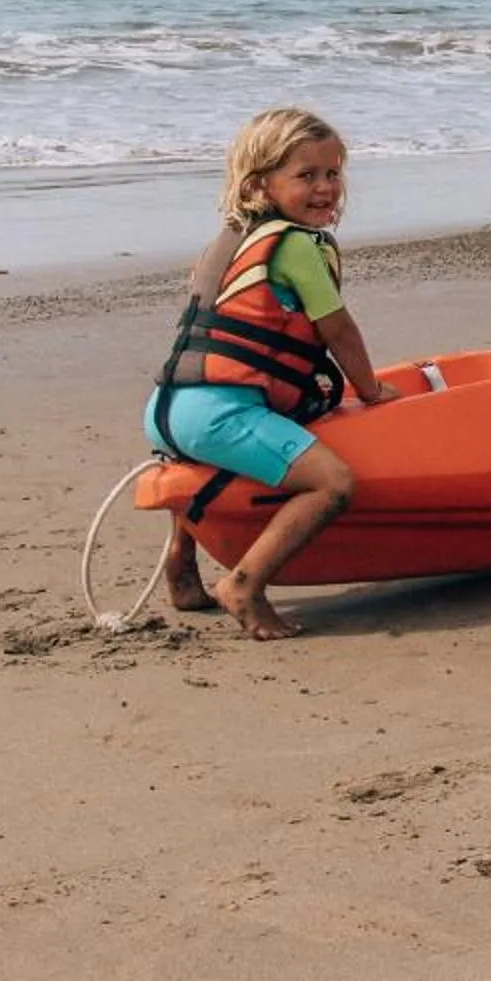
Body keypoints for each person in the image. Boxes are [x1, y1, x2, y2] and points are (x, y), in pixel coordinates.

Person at [144, 106, 396, 638]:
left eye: (333, 173)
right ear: (261, 184)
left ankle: (181, 570)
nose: (325, 187)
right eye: (306, 176)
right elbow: (338, 329)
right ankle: (245, 584)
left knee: (209, 471)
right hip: (220, 411)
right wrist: (370, 391)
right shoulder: (297, 246)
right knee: (332, 484)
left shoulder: (227, 242)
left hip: (168, 408)